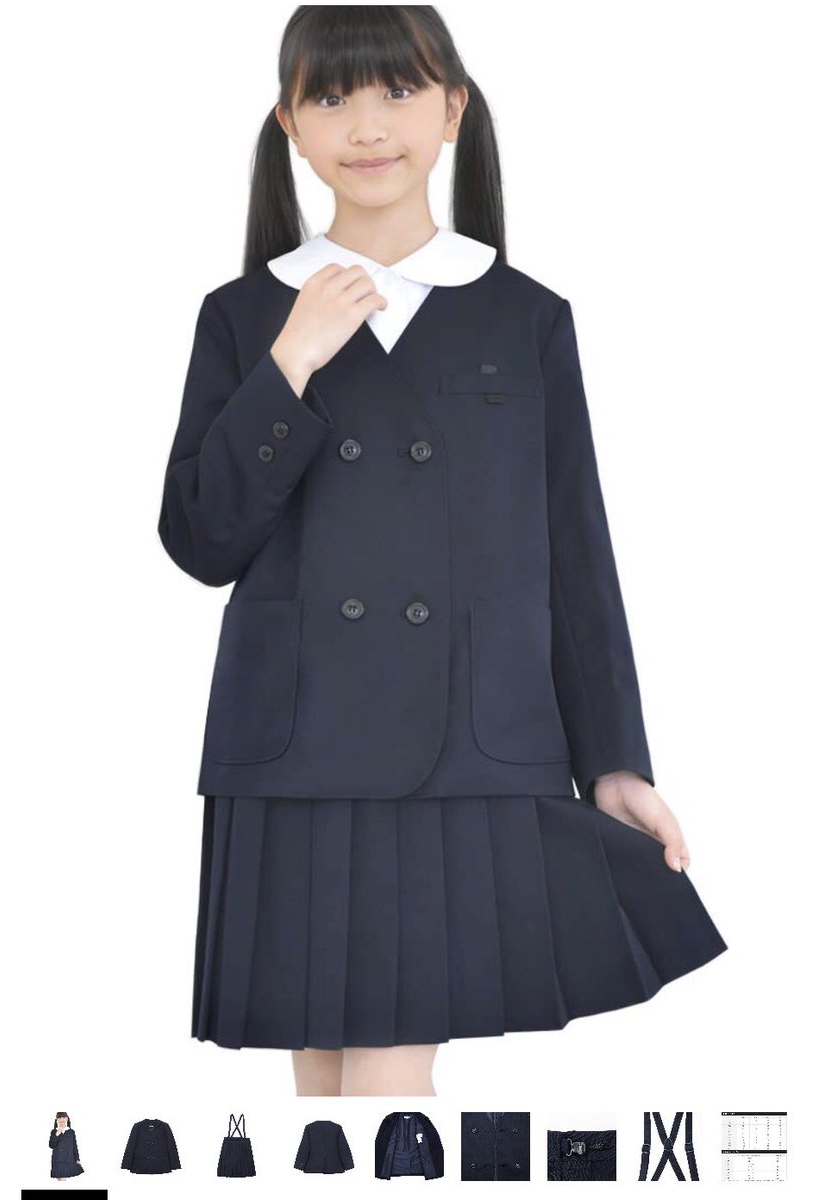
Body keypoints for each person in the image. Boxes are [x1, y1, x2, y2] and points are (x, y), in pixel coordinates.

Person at [157, 6, 727, 1098]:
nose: (368, 125)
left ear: (454, 108)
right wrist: (288, 364)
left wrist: (616, 760)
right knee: (324, 1087)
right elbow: (200, 540)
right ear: (290, 124)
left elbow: (576, 553)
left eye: (399, 91)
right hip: (294, 745)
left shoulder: (523, 316)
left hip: (468, 743)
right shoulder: (245, 314)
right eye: (332, 97)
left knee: (380, 1074)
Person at [49, 1112, 83, 1180]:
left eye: (63, 1117)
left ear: (67, 1118)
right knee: (59, 1179)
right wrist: (56, 1135)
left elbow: (74, 1147)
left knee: (62, 1178)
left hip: (68, 1159)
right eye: (59, 1117)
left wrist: (77, 1159)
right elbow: (51, 1145)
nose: (62, 1119)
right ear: (57, 1119)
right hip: (57, 1159)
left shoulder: (71, 1132)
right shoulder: (54, 1131)